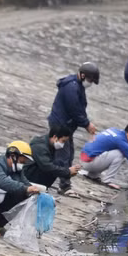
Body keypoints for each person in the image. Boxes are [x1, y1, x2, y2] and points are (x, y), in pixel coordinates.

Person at [47, 62, 100, 196]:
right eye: (90, 80)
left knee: (66, 154)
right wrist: (87, 124)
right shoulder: (71, 87)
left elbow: (79, 108)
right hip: (61, 126)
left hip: (66, 126)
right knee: (64, 156)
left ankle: (59, 182)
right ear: (82, 75)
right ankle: (64, 186)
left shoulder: (77, 85)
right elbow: (75, 110)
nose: (90, 83)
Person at [23, 125, 79, 190]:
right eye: (63, 141)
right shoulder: (40, 146)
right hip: (29, 178)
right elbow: (47, 167)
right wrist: (68, 171)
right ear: (55, 137)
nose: (63, 145)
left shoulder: (50, 145)